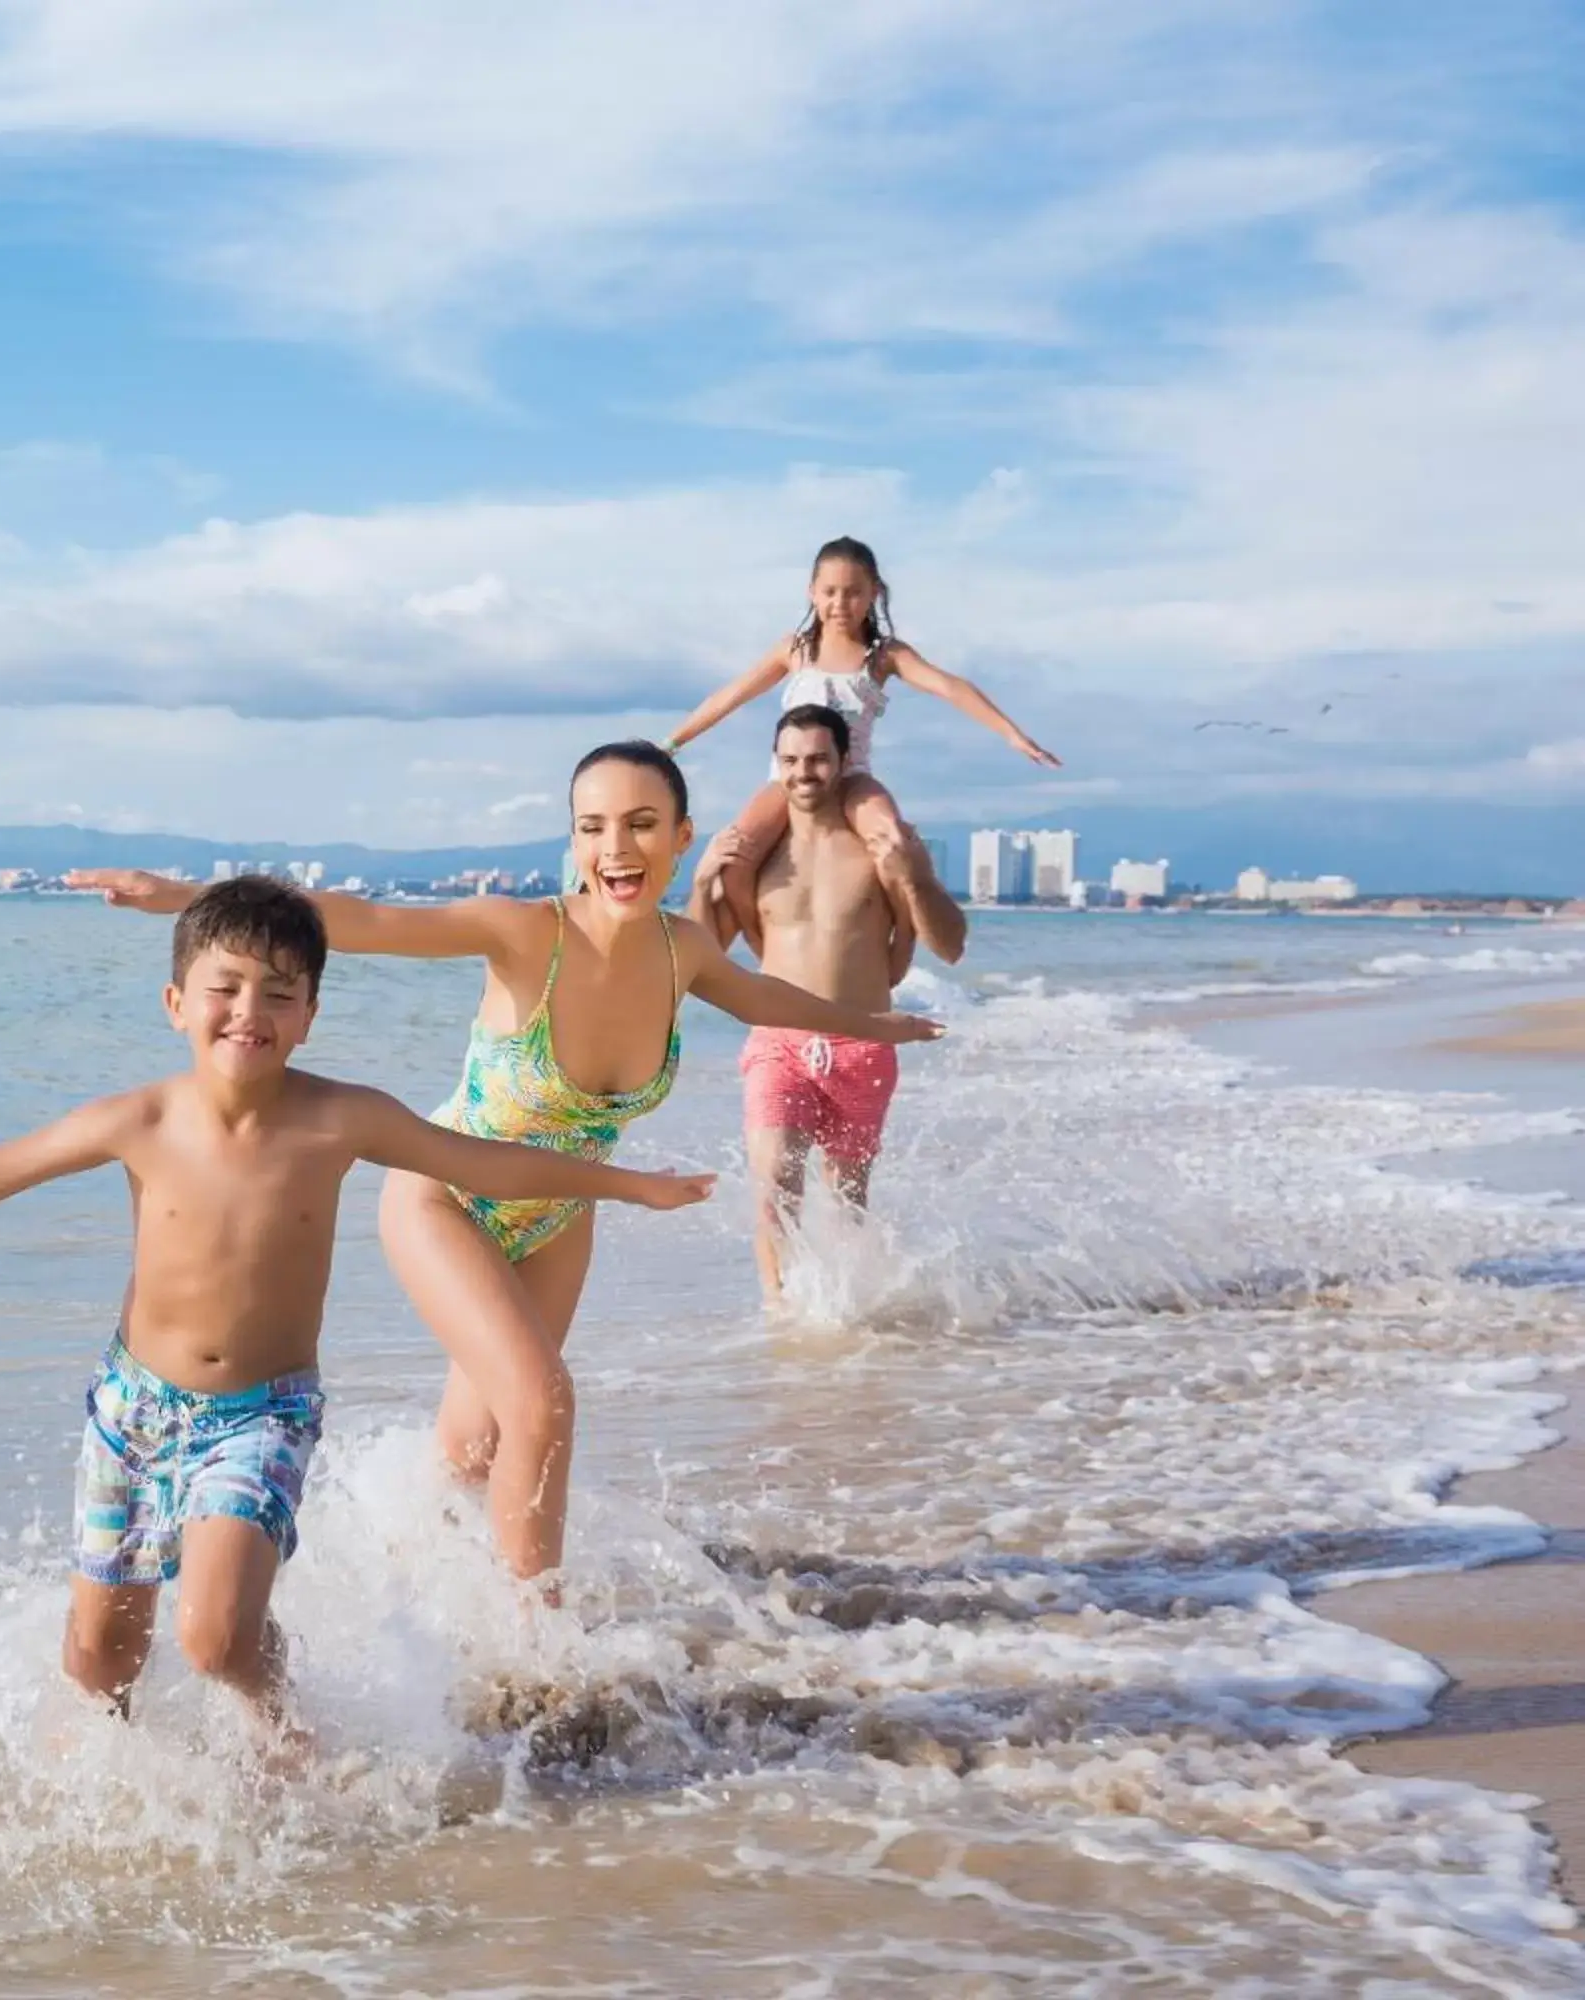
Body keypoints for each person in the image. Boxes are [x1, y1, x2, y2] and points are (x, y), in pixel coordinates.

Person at [0, 877, 714, 1751]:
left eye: (280, 992)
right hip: (132, 1410)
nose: (251, 1011)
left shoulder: (342, 1117)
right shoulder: (141, 1121)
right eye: (226, 987)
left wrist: (622, 1182)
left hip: (264, 1413)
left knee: (213, 1639)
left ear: (312, 1012)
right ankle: (123, 1791)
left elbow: (483, 1162)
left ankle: (284, 1728)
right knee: (100, 1663)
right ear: (175, 1003)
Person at [71, 743, 941, 1589]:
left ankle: (405, 1585)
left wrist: (876, 1024)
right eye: (593, 826)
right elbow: (364, 919)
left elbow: (764, 998)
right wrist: (188, 898)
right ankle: (538, 1640)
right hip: (444, 1198)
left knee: (472, 1452)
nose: (615, 849)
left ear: (683, 837)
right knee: (544, 1402)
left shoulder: (686, 952)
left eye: (642, 824)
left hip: (559, 1214)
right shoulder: (527, 933)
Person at [666, 535, 1057, 954]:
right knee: (734, 856)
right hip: (787, 779)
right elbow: (731, 695)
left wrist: (1011, 733)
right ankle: (757, 941)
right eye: (830, 592)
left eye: (853, 593)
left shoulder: (883, 655)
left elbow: (949, 687)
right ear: (811, 592)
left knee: (892, 839)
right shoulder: (795, 650)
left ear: (874, 593)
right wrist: (673, 742)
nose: (840, 604)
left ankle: (901, 941)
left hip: (852, 777)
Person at [697, 705, 966, 1302]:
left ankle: (845, 1322)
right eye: (790, 761)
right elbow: (704, 955)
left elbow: (951, 946)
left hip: (863, 1044)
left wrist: (917, 876)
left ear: (844, 762)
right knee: (773, 1189)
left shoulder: (878, 851)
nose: (803, 773)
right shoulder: (759, 858)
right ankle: (782, 1318)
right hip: (780, 1043)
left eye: (818, 758)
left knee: (846, 1200)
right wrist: (701, 882)